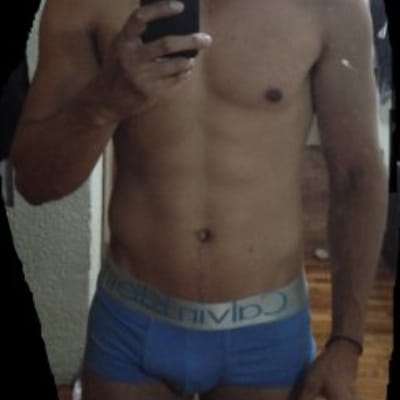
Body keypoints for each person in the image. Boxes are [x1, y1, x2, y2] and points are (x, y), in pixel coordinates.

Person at [10, 0, 388, 399]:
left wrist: (347, 341)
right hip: (130, 325)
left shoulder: (331, 6)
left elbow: (357, 175)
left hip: (266, 331)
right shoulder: (84, 5)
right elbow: (34, 183)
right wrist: (103, 101)